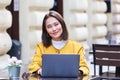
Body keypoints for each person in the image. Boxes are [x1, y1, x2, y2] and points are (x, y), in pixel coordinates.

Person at [28, 10, 90, 76]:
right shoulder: (41, 47)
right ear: (46, 31)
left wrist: (77, 72)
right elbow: (33, 65)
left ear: (62, 25)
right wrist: (39, 70)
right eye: (49, 27)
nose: (54, 29)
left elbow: (85, 67)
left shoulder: (77, 47)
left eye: (56, 24)